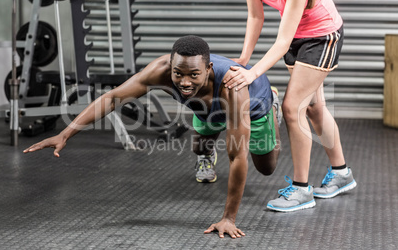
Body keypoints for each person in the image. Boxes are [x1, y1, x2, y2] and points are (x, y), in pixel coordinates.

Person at [24, 35, 281, 238]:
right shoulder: (160, 71)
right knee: (199, 148)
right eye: (178, 73)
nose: (184, 82)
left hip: (254, 107)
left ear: (208, 68)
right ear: (170, 66)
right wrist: (66, 133)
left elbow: (237, 156)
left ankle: (275, 107)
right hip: (204, 107)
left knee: (266, 167)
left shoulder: (233, 88)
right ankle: (206, 153)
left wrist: (229, 218)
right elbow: (112, 99)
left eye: (194, 74)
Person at [223, 0, 356, 212]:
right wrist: (244, 58)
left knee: (293, 108)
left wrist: (252, 72)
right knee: (313, 107)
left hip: (322, 37)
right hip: (297, 37)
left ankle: (301, 189)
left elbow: (281, 43)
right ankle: (341, 173)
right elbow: (255, 16)